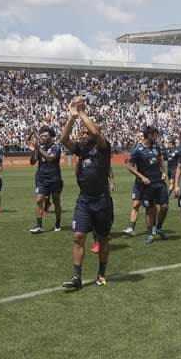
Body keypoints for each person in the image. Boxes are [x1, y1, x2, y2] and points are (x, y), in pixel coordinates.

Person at [61, 97, 114, 289]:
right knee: (78, 236)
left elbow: (93, 130)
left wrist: (82, 112)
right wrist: (72, 117)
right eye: (82, 133)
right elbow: (64, 140)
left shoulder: (103, 147)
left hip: (102, 201)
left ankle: (101, 272)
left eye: (86, 132)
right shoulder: (82, 149)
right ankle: (77, 277)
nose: (83, 135)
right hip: (84, 200)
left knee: (103, 238)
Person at [125, 126, 168, 244]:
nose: (156, 137)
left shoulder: (156, 147)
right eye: (155, 135)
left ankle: (158, 227)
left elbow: (160, 159)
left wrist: (164, 172)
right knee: (149, 209)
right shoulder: (137, 150)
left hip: (159, 182)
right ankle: (150, 234)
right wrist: (142, 177)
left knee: (164, 206)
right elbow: (129, 166)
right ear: (149, 135)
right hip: (147, 185)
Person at [28, 127, 63, 233]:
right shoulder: (40, 147)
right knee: (39, 200)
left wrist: (38, 149)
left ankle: (57, 222)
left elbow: (50, 158)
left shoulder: (56, 147)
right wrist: (33, 152)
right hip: (41, 178)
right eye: (42, 136)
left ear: (51, 137)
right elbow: (32, 162)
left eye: (46, 136)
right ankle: (39, 226)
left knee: (56, 201)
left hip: (54, 178)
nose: (43, 137)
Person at [123, 130, 151, 237]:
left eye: (141, 136)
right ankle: (131, 228)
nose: (139, 138)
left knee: (150, 207)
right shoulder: (136, 150)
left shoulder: (150, 149)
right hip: (139, 182)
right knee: (136, 204)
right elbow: (129, 164)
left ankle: (152, 229)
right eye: (138, 136)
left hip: (150, 181)